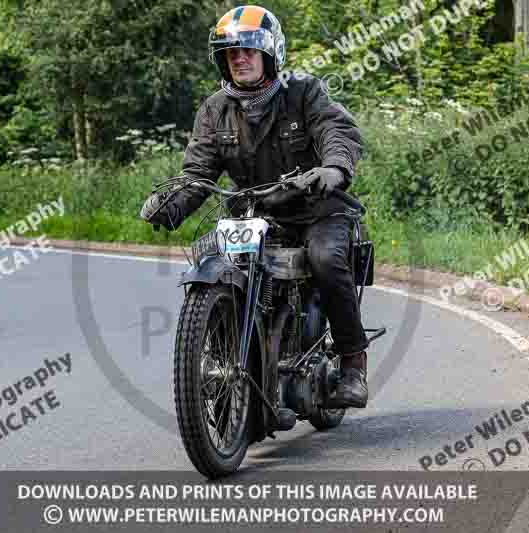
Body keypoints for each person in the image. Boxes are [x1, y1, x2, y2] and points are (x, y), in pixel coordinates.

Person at [140, 5, 369, 408]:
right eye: (231, 53)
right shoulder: (215, 109)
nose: (240, 58)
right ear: (222, 61)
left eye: (248, 50)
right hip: (259, 214)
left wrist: (333, 169)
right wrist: (171, 205)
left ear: (270, 53)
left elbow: (337, 130)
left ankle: (353, 364)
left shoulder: (303, 92)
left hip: (319, 208)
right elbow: (199, 171)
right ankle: (227, 353)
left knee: (325, 259)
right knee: (210, 253)